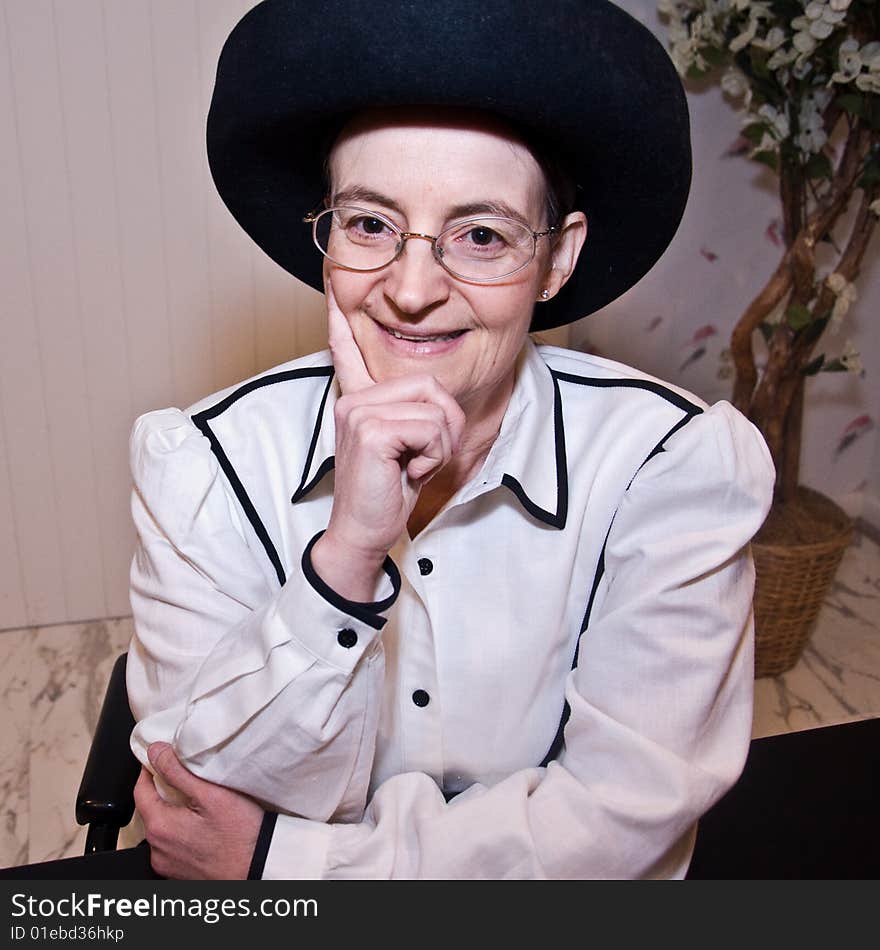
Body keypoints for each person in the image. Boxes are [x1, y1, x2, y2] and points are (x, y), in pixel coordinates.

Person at [126, 0, 775, 880]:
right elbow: (193, 805)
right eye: (370, 225)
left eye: (480, 236)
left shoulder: (672, 470)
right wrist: (345, 559)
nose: (412, 288)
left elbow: (621, 822)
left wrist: (290, 865)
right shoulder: (201, 462)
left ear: (557, 259)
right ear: (325, 236)